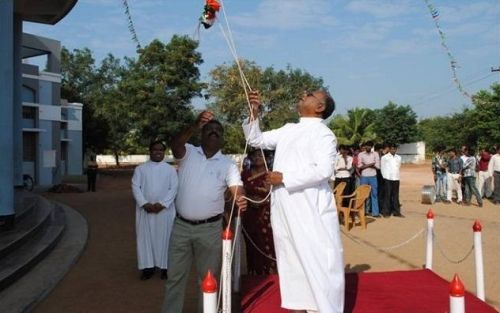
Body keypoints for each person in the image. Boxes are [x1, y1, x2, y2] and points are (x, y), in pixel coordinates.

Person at [243, 89, 344, 313]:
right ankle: (299, 306)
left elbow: (325, 170)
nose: (303, 93)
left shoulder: (324, 134)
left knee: (318, 260)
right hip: (285, 207)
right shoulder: (289, 129)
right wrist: (254, 112)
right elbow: (254, 139)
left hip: (310, 210)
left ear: (320, 107)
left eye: (310, 94)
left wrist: (284, 178)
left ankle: (325, 308)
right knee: (291, 259)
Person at [162, 111, 247, 313]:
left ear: (222, 137)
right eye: (210, 129)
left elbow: (237, 188)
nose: (214, 133)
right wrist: (194, 124)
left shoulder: (228, 164)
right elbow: (175, 145)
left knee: (208, 278)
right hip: (181, 226)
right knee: (175, 277)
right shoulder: (189, 152)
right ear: (202, 133)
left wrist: (241, 198)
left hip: (209, 230)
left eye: (218, 131)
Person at [131, 141, 178, 280]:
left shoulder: (170, 170)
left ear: (164, 152)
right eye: (155, 150)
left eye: (161, 150)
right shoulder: (140, 169)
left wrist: (162, 204)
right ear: (150, 151)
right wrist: (144, 204)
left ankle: (165, 267)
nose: (158, 152)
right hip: (145, 211)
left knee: (166, 238)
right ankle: (148, 268)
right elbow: (135, 187)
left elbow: (174, 188)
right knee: (145, 239)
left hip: (165, 211)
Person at [241, 149, 277, 275]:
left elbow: (275, 195)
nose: (257, 157)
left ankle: (269, 274)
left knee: (267, 243)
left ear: (266, 158)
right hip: (249, 214)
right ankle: (254, 275)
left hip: (266, 214)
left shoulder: (271, 176)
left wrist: (262, 201)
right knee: (251, 244)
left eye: (260, 155)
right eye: (254, 155)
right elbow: (240, 191)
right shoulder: (244, 174)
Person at [357, 141, 381, 217]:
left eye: (369, 146)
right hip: (364, 176)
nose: (368, 147)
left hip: (373, 176)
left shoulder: (375, 154)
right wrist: (371, 164)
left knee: (374, 194)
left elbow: (378, 167)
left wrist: (365, 165)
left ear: (371, 147)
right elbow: (360, 166)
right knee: (363, 194)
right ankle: (362, 211)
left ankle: (375, 213)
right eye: (366, 146)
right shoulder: (361, 154)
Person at [380, 144, 403, 217]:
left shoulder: (398, 157)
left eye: (395, 149)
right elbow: (382, 168)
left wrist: (396, 176)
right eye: (392, 149)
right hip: (388, 179)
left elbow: (398, 167)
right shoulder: (385, 157)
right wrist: (385, 177)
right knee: (387, 195)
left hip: (396, 178)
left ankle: (396, 212)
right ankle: (386, 212)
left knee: (396, 196)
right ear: (389, 149)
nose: (393, 150)